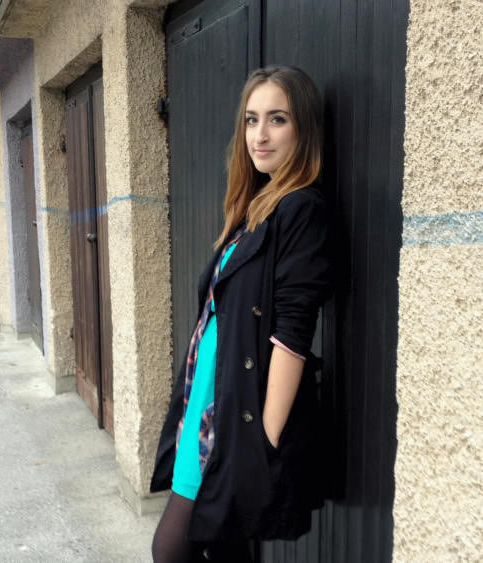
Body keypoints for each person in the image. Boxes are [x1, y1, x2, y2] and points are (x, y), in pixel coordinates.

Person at [150, 66, 331, 562]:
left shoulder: (301, 209)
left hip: (237, 413)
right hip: (210, 396)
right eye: (252, 119)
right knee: (227, 546)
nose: (260, 135)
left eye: (277, 119)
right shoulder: (254, 207)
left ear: (303, 129)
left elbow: (292, 334)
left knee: (171, 550)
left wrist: (262, 440)